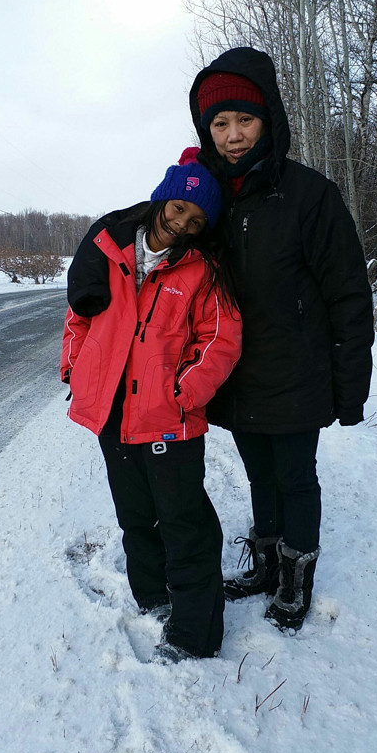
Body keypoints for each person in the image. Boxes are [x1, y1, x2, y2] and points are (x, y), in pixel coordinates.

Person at [188, 46, 374, 631]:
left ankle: (295, 581)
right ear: (205, 129)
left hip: (295, 376)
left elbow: (348, 296)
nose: (234, 135)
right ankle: (266, 566)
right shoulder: (209, 202)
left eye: (245, 119)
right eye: (220, 123)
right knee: (259, 476)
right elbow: (155, 235)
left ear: (269, 118)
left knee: (295, 479)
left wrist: (350, 390)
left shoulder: (310, 196)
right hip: (238, 377)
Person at [60, 156, 242, 662]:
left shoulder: (202, 269)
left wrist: (181, 393)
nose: (182, 223)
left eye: (196, 221)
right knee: (136, 517)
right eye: (179, 208)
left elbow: (222, 339)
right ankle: (153, 598)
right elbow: (78, 317)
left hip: (169, 421)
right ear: (164, 197)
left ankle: (193, 634)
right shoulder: (109, 248)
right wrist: (77, 371)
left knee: (184, 526)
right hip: (111, 416)